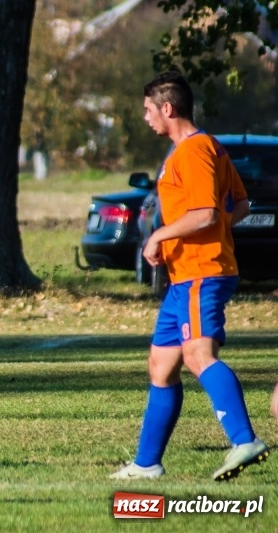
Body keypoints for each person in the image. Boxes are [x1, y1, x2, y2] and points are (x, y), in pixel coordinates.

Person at [110, 71, 269, 481]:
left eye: (148, 109)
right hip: (185, 277)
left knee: (199, 356)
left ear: (168, 108)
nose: (145, 117)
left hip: (202, 273)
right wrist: (186, 237)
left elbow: (207, 214)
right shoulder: (205, 147)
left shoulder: (195, 151)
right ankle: (147, 464)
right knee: (161, 365)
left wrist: (160, 235)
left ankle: (244, 440)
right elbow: (241, 205)